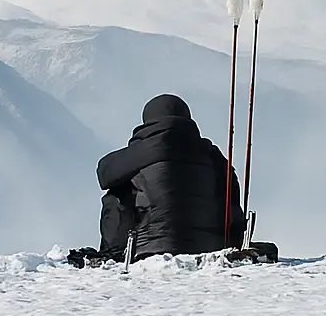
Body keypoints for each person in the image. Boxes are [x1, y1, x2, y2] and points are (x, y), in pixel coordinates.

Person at [96, 94, 246, 261]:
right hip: (214, 248)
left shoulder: (142, 150)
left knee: (116, 192)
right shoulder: (214, 155)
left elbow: (104, 173)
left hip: (152, 248)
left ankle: (114, 254)